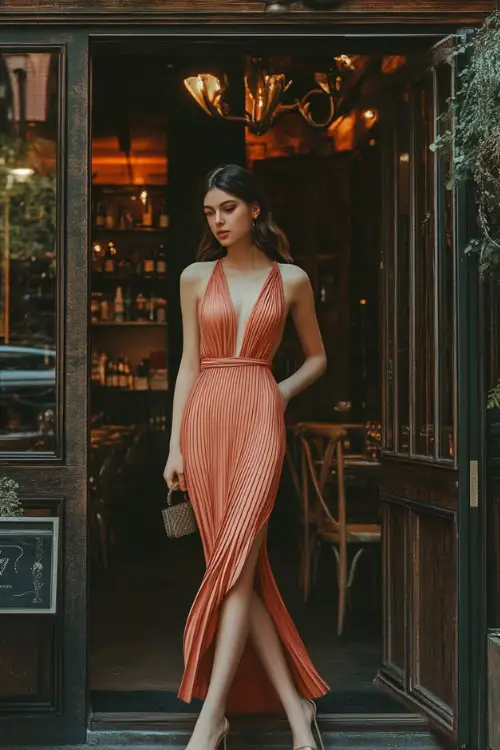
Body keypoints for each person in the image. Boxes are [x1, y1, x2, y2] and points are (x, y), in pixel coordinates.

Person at [164, 164, 329, 750]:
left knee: (237, 564)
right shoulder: (193, 277)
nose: (218, 220)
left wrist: (276, 392)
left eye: (228, 208)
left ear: (254, 209)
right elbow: (187, 364)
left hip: (261, 418)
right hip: (205, 420)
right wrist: (174, 444)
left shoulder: (292, 280)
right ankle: (296, 711)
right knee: (236, 574)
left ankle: (212, 720)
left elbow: (316, 358)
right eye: (210, 211)